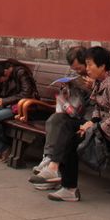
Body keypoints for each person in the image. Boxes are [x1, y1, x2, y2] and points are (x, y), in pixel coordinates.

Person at [30, 46, 110, 202]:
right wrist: (92, 122)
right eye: (86, 65)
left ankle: (68, 187)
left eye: (89, 65)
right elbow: (97, 107)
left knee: (72, 140)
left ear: (102, 66)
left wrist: (93, 127)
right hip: (103, 126)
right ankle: (53, 167)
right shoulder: (101, 81)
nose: (87, 69)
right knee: (64, 123)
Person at [30, 46, 92, 185]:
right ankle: (49, 159)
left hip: (90, 118)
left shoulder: (100, 75)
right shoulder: (81, 75)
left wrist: (93, 87)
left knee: (63, 127)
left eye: (79, 68)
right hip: (75, 112)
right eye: (74, 68)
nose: (77, 71)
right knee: (55, 119)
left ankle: (52, 165)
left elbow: (103, 103)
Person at [0, 59, 38, 160]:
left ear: (5, 72)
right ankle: (2, 148)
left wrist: (4, 101)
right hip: (7, 105)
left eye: (0, 78)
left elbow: (26, 93)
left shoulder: (21, 72)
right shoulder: (1, 75)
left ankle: (7, 146)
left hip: (20, 107)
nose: (0, 81)